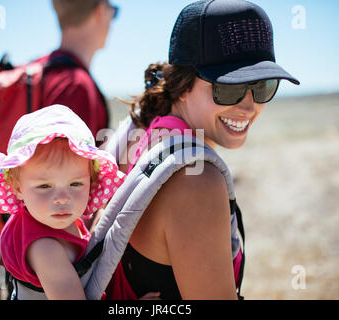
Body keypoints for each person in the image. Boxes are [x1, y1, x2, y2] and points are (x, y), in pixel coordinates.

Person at [109, 0, 300, 299]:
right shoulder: (196, 179)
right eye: (229, 88)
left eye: (263, 86)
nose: (249, 106)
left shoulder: (149, 133)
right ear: (182, 85)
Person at [0, 105, 124, 299]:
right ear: (18, 187)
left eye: (75, 183)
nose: (62, 198)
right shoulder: (45, 248)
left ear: (91, 180)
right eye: (45, 187)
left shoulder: (44, 218)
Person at [35, 0, 120, 138]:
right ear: (100, 11)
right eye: (114, 12)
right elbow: (65, 159)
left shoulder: (38, 70)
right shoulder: (75, 85)